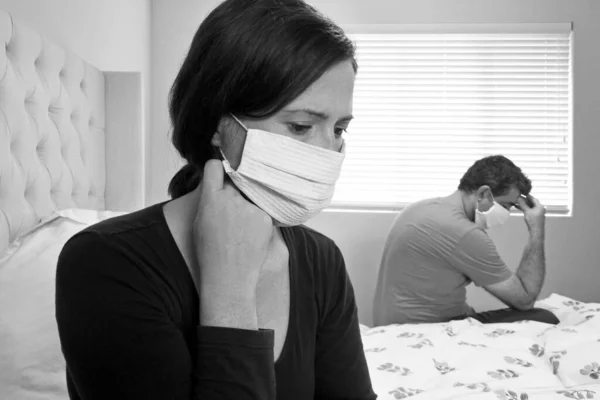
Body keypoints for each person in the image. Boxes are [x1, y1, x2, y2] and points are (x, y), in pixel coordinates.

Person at [55, 1, 376, 399]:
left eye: (340, 129)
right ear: (217, 126)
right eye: (301, 126)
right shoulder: (106, 263)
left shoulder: (322, 260)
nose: (330, 151)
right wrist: (230, 293)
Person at [372, 155, 559, 327]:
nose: (507, 214)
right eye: (505, 205)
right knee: (546, 318)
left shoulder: (419, 208)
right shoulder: (465, 234)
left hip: (391, 326)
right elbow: (524, 300)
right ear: (484, 194)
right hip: (430, 330)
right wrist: (537, 229)